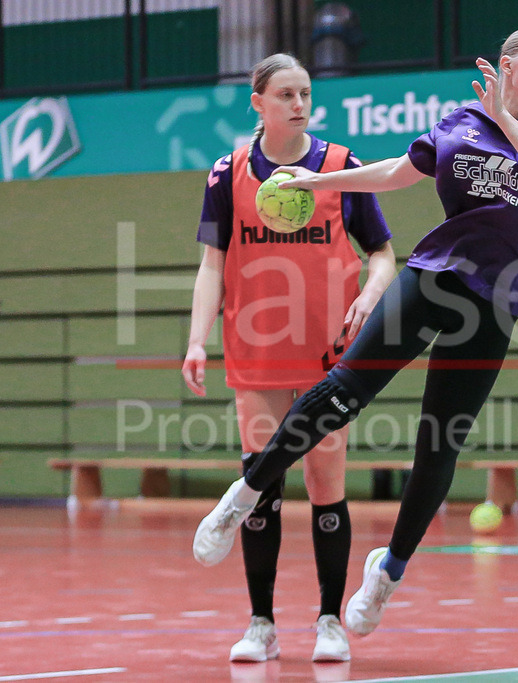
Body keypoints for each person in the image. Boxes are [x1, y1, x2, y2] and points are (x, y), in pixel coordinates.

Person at [192, 28, 518, 641]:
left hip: (496, 302)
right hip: (434, 276)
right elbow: (397, 174)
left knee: (440, 441)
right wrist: (315, 183)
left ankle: (388, 571)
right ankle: (242, 495)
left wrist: (505, 119)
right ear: (508, 64)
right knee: (345, 387)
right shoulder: (458, 122)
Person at [183, 53, 395, 663]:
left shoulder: (339, 165)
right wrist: (197, 339)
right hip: (254, 350)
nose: (298, 104)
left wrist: (368, 301)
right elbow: (212, 266)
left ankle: (329, 620)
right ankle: (261, 625)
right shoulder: (229, 174)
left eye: (304, 93)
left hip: (326, 352)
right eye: (284, 94)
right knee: (261, 480)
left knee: (326, 483)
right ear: (259, 103)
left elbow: (382, 254)